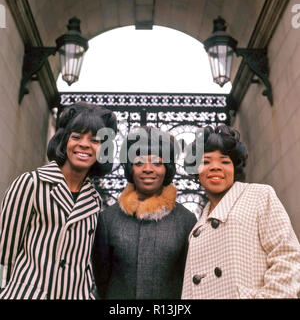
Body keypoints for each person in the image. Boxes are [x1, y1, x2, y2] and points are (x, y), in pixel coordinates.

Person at [0, 102, 117, 299]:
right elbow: (4, 254)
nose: (85, 144)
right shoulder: (31, 184)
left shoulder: (95, 201)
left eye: (95, 140)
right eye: (77, 136)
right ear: (64, 141)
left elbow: (86, 262)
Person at [182, 124, 300, 299]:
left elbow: (288, 256)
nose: (215, 167)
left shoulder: (259, 195)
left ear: (234, 167)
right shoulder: (196, 230)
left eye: (224, 161)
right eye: (206, 161)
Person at [92, 126, 197, 299]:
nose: (148, 169)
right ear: (130, 168)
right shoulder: (108, 219)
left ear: (167, 169)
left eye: (157, 162)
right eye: (139, 162)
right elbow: (101, 277)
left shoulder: (186, 221)